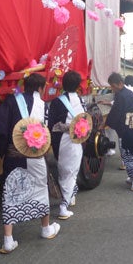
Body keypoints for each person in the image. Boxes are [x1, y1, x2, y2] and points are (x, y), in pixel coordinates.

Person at [0, 73, 61, 254]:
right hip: (35, 158)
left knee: (10, 192)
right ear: (40, 89)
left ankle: (8, 240)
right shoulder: (44, 106)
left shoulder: (12, 100)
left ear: (24, 86)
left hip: (13, 155)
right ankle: (45, 228)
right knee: (41, 189)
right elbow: (46, 133)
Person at [47, 70, 88, 219]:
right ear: (78, 85)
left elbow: (51, 123)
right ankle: (64, 205)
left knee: (65, 170)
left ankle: (68, 197)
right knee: (72, 170)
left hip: (62, 139)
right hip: (77, 139)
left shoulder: (57, 101)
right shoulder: (81, 100)